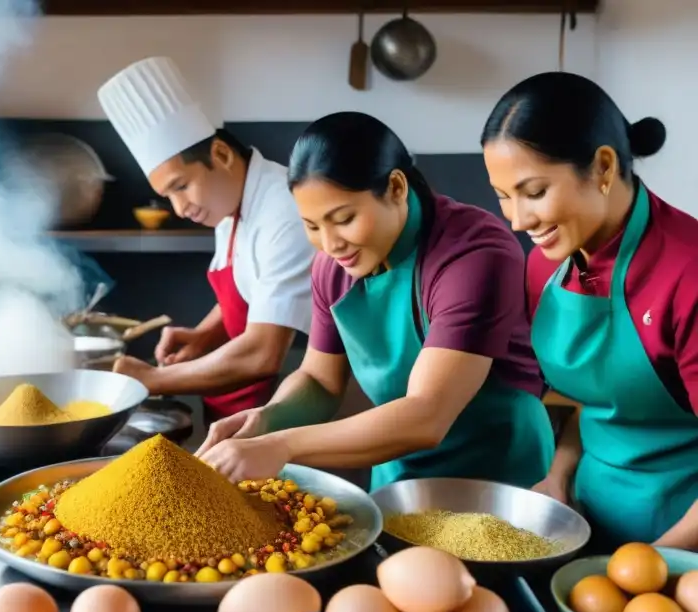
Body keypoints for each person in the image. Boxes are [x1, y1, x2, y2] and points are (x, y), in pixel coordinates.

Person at [197, 112, 554, 490]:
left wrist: (281, 444)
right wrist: (267, 420)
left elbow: (426, 415)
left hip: (499, 474)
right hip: (395, 466)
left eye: (344, 218)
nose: (331, 244)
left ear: (396, 188)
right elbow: (320, 380)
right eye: (313, 226)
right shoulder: (332, 267)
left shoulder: (475, 253)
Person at [481, 72, 698, 548]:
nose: (518, 220)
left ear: (602, 167)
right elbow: (602, 403)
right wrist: (558, 479)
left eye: (534, 192)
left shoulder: (688, 272)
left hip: (681, 537)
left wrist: (653, 563)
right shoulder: (544, 267)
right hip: (587, 523)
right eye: (503, 197)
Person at [96, 57, 314, 424]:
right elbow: (252, 287)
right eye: (168, 196)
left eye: (181, 186)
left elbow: (262, 354)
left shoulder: (284, 212)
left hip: (310, 403)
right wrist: (203, 334)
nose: (180, 208)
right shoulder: (229, 205)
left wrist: (152, 379)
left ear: (221, 155)